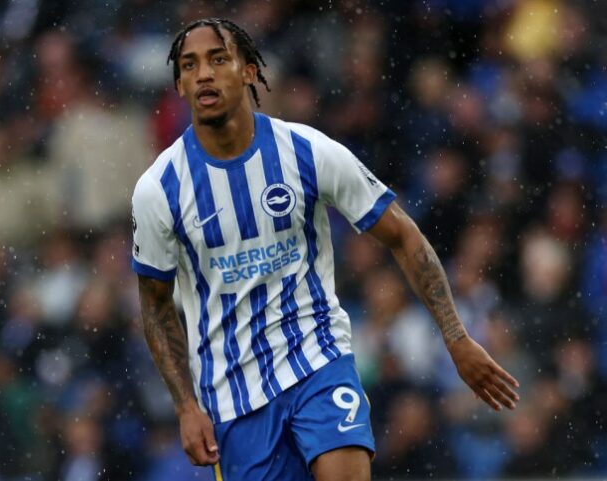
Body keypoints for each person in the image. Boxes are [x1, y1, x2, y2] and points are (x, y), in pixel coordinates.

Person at [131, 18, 520, 481]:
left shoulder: (306, 151)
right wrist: (185, 407)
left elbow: (403, 235)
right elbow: (155, 304)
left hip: (317, 358)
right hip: (234, 395)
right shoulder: (159, 189)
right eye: (190, 65)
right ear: (180, 84)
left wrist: (456, 338)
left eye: (219, 59)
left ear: (250, 71)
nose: (205, 74)